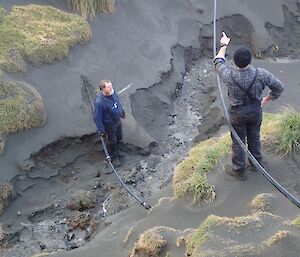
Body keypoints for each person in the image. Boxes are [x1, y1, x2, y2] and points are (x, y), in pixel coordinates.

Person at [214, 32, 284, 180]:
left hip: (237, 113)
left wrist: (224, 45)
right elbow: (279, 87)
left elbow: (218, 62)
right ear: (250, 60)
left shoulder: (229, 76)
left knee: (238, 142)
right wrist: (268, 98)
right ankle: (256, 163)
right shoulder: (261, 74)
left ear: (234, 61)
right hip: (255, 111)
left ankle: (239, 170)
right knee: (254, 137)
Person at [93, 79, 125, 167]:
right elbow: (97, 118)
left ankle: (118, 151)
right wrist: (102, 131)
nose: (111, 88)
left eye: (111, 86)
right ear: (103, 89)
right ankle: (114, 157)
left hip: (117, 121)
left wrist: (121, 111)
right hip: (109, 125)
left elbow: (117, 102)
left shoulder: (113, 93)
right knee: (112, 141)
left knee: (119, 137)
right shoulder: (99, 102)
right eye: (109, 87)